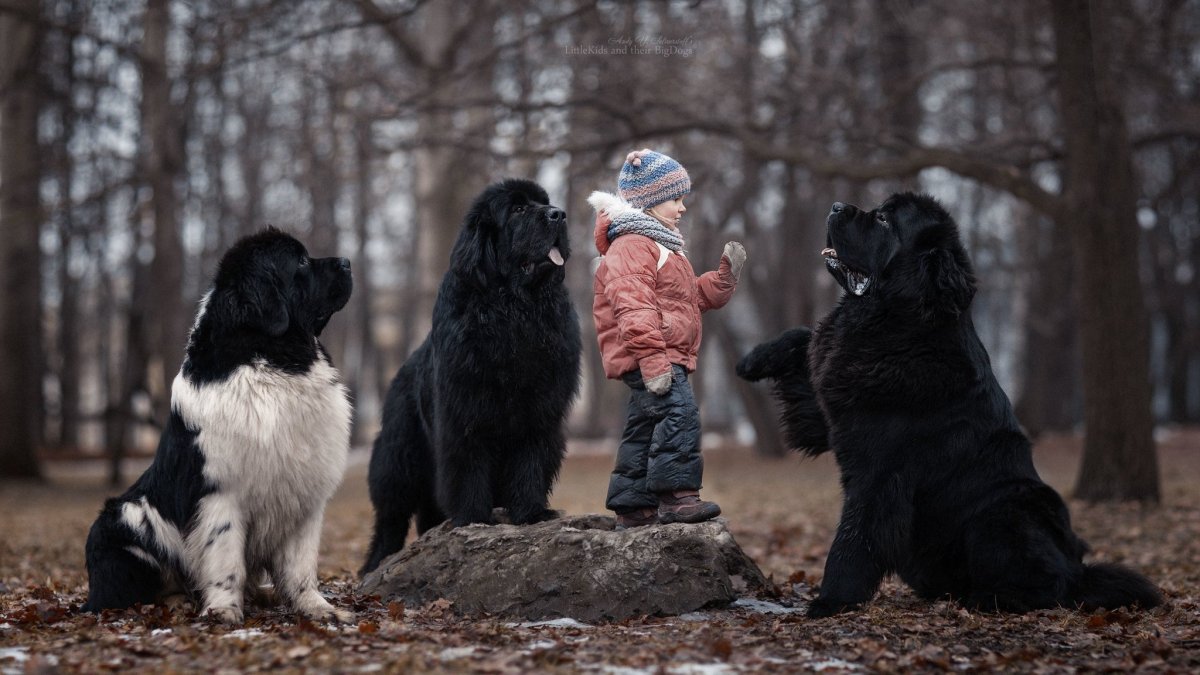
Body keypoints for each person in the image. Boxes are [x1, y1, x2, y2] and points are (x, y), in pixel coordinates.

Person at [588, 149, 746, 530]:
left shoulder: (660, 245)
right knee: (680, 414)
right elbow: (633, 307)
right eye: (675, 199)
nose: (682, 208)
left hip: (656, 353)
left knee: (644, 425)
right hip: (651, 355)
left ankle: (632, 505)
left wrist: (723, 280)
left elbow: (687, 297)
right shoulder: (633, 245)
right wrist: (653, 361)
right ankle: (677, 498)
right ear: (650, 200)